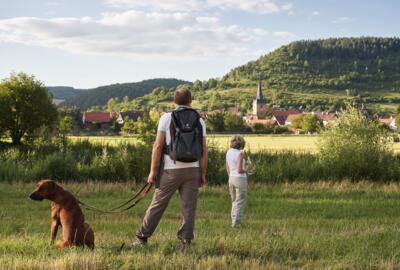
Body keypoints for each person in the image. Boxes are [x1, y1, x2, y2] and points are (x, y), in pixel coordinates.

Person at [134, 86, 207, 248]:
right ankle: (186, 241)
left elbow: (158, 146)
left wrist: (153, 171)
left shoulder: (166, 118)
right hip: (192, 170)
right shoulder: (199, 120)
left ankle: (142, 238)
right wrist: (202, 173)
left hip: (170, 170)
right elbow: (203, 150)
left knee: (158, 204)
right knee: (189, 207)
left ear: (174, 101)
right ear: (190, 100)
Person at [226, 135, 250, 228]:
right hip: (240, 179)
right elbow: (240, 170)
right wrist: (248, 169)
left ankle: (233, 220)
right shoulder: (240, 154)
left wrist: (230, 176)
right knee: (240, 201)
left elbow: (227, 167)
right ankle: (236, 224)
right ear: (242, 144)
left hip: (231, 178)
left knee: (234, 200)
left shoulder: (228, 152)